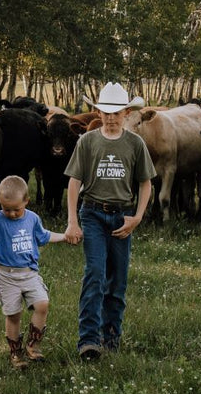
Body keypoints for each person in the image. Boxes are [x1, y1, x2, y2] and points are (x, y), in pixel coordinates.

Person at [64, 82, 155, 361]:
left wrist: (137, 218)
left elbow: (145, 183)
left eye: (117, 112)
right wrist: (72, 221)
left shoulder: (135, 143)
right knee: (95, 275)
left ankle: (111, 338)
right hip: (91, 214)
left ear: (127, 112)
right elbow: (74, 182)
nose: (111, 118)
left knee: (117, 281)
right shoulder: (87, 141)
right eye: (105, 112)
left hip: (121, 216)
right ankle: (88, 340)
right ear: (98, 112)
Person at [0, 174, 67, 368]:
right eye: (6, 209)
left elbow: (44, 236)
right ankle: (16, 352)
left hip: (29, 273)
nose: (12, 213)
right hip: (6, 275)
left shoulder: (32, 219)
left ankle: (33, 345)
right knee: (13, 315)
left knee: (42, 304)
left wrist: (65, 236)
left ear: (26, 201)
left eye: (16, 209)